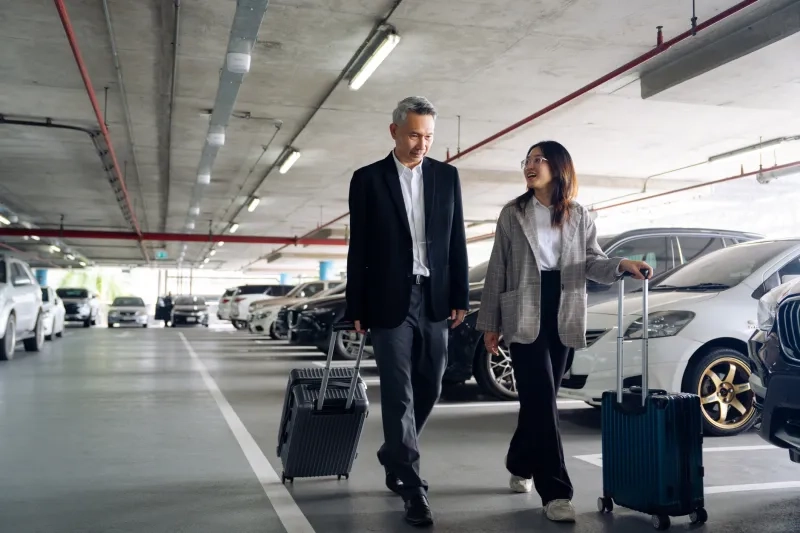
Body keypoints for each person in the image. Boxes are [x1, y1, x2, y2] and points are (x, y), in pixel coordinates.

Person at [475, 140, 652, 523]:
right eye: (527, 159)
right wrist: (490, 324)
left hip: (565, 309)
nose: (530, 165)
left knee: (541, 399)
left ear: (559, 167)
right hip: (523, 310)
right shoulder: (513, 213)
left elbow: (592, 261)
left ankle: (519, 461)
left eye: (539, 159)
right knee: (541, 401)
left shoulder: (578, 214)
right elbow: (497, 268)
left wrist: (622, 264)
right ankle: (556, 492)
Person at [345, 96, 470, 527]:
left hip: (434, 297)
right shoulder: (367, 179)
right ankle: (413, 488)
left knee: (432, 383)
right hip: (388, 299)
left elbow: (456, 241)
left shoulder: (447, 177)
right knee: (398, 392)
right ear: (394, 131)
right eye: (415, 134)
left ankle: (394, 452)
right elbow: (357, 245)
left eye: (429, 136)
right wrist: (355, 304)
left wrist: (460, 296)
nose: (422, 144)